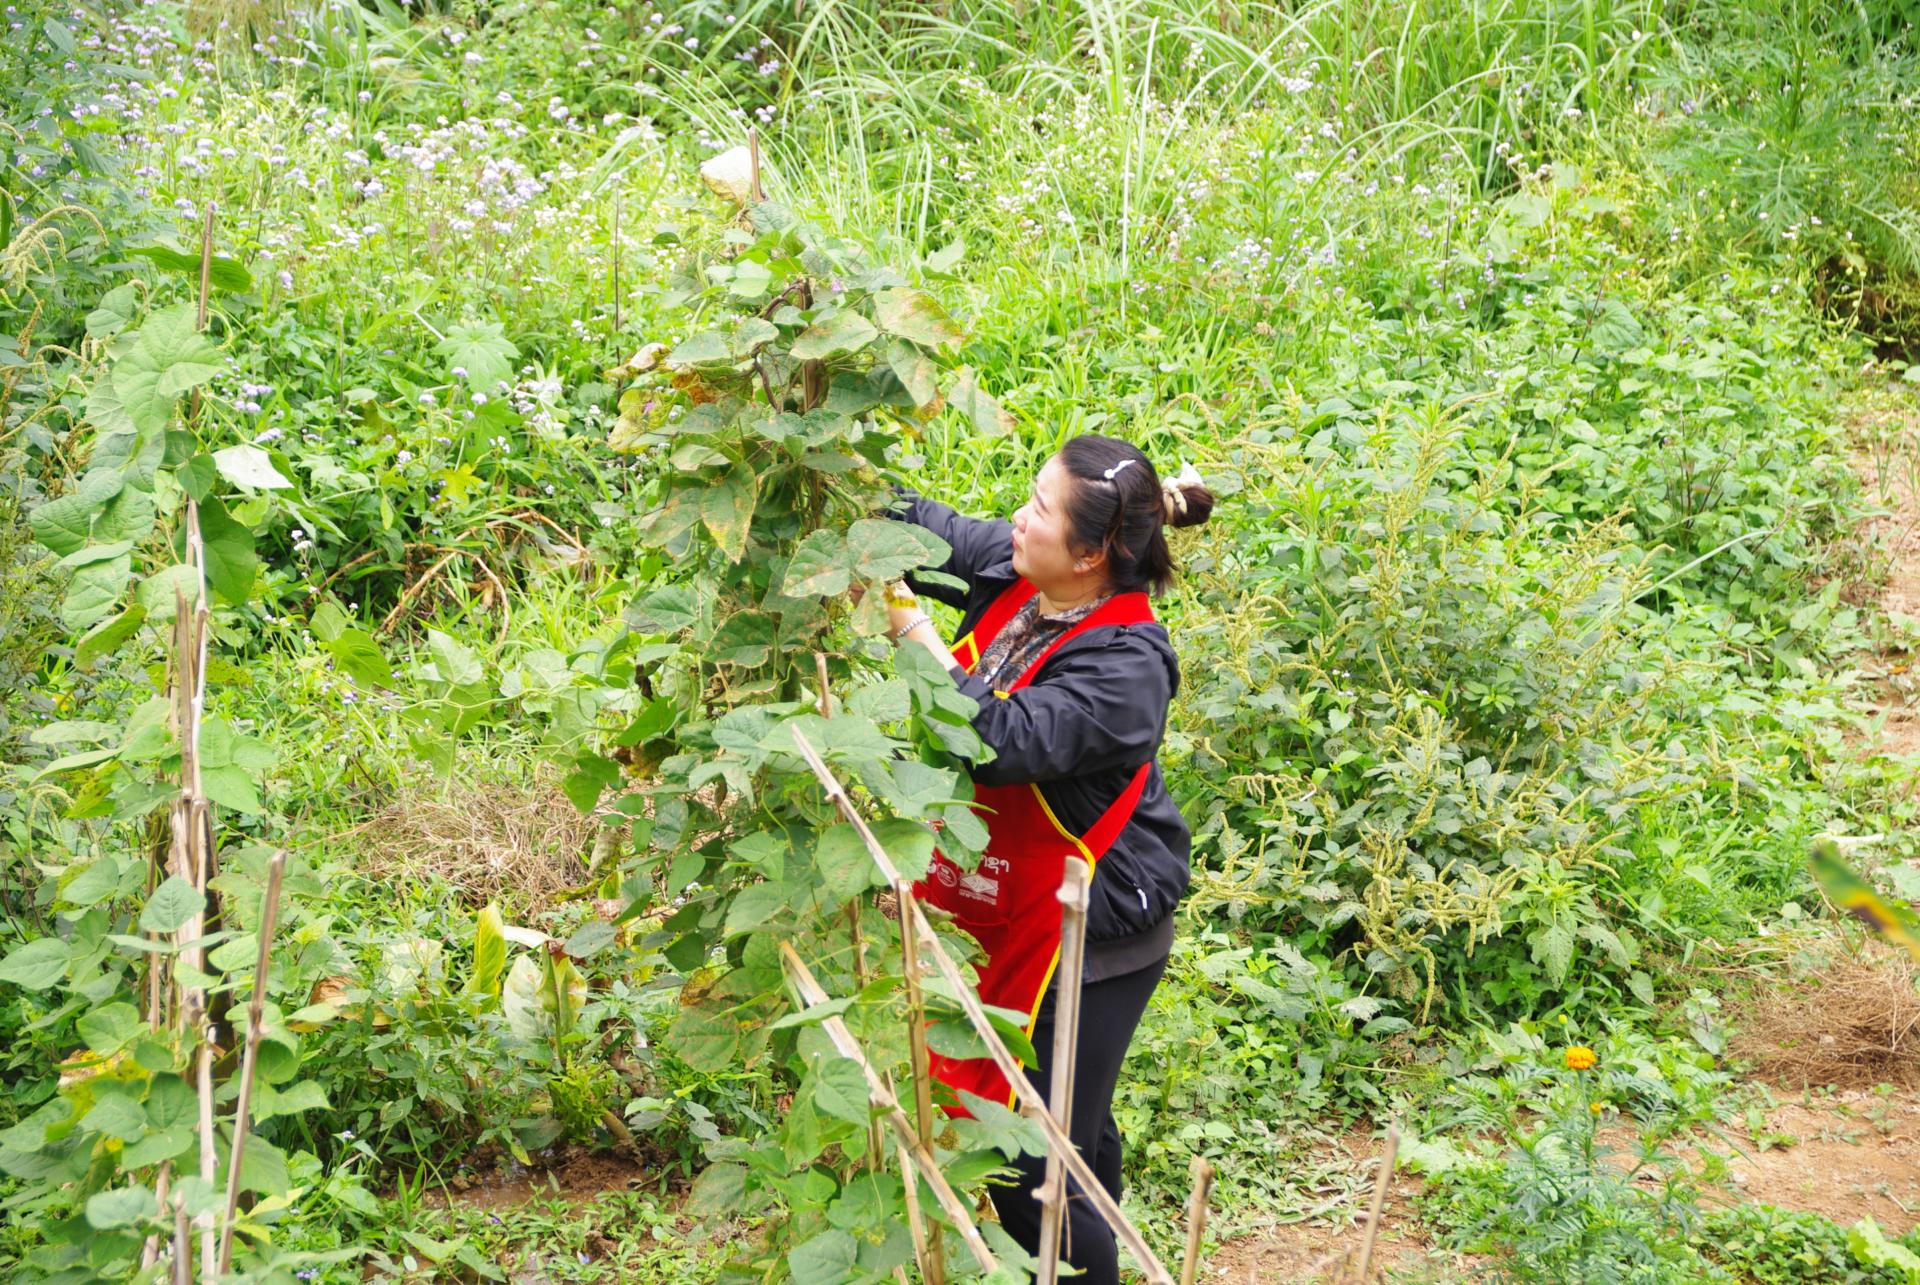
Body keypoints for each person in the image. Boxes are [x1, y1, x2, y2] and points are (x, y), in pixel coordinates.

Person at [884, 434, 1214, 1284]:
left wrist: (913, 631)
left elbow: (997, 740)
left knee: (1041, 1164)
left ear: (1092, 553)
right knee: (1076, 1130)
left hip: (1094, 931)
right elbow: (927, 529)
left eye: (1038, 507)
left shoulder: (1129, 666)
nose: (1017, 520)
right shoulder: (1028, 572)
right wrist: (837, 490)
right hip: (1012, 894)